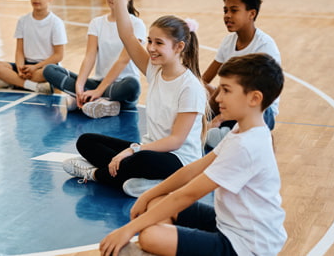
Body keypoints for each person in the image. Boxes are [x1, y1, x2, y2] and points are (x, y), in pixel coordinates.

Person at [98, 53, 287, 256]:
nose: (218, 97)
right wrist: (147, 195)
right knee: (155, 203)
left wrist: (127, 230)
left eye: (226, 90)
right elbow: (191, 171)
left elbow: (188, 194)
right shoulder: (242, 130)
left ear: (254, 98)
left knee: (149, 237)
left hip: (247, 246)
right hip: (228, 224)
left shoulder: (246, 146)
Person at [62, 0, 207, 198]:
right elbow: (127, 34)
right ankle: (142, 181)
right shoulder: (155, 70)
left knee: (133, 162)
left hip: (178, 161)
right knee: (85, 141)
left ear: (179, 47)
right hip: (148, 151)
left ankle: (96, 175)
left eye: (158, 43)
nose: (150, 48)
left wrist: (133, 150)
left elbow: (175, 142)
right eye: (149, 41)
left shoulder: (191, 87)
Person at [42, 0, 146, 119]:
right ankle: (97, 101)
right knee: (49, 70)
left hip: (122, 87)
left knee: (133, 85)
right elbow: (89, 57)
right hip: (97, 83)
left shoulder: (137, 24)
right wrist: (79, 86)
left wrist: (98, 91)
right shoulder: (97, 23)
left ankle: (96, 98)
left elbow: (123, 60)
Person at [201, 0, 282, 149]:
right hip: (232, 105)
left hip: (259, 109)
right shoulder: (228, 42)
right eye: (225, 10)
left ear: (251, 13)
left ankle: (218, 134)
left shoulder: (264, 46)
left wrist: (220, 116)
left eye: (234, 10)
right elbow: (205, 78)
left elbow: (259, 96)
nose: (227, 15)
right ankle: (215, 133)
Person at [0, 0, 67, 94]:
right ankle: (34, 86)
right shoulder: (23, 21)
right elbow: (19, 51)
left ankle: (12, 81)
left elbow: (58, 55)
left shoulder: (56, 23)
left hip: (44, 67)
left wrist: (35, 67)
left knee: (50, 72)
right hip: (26, 67)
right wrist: (20, 68)